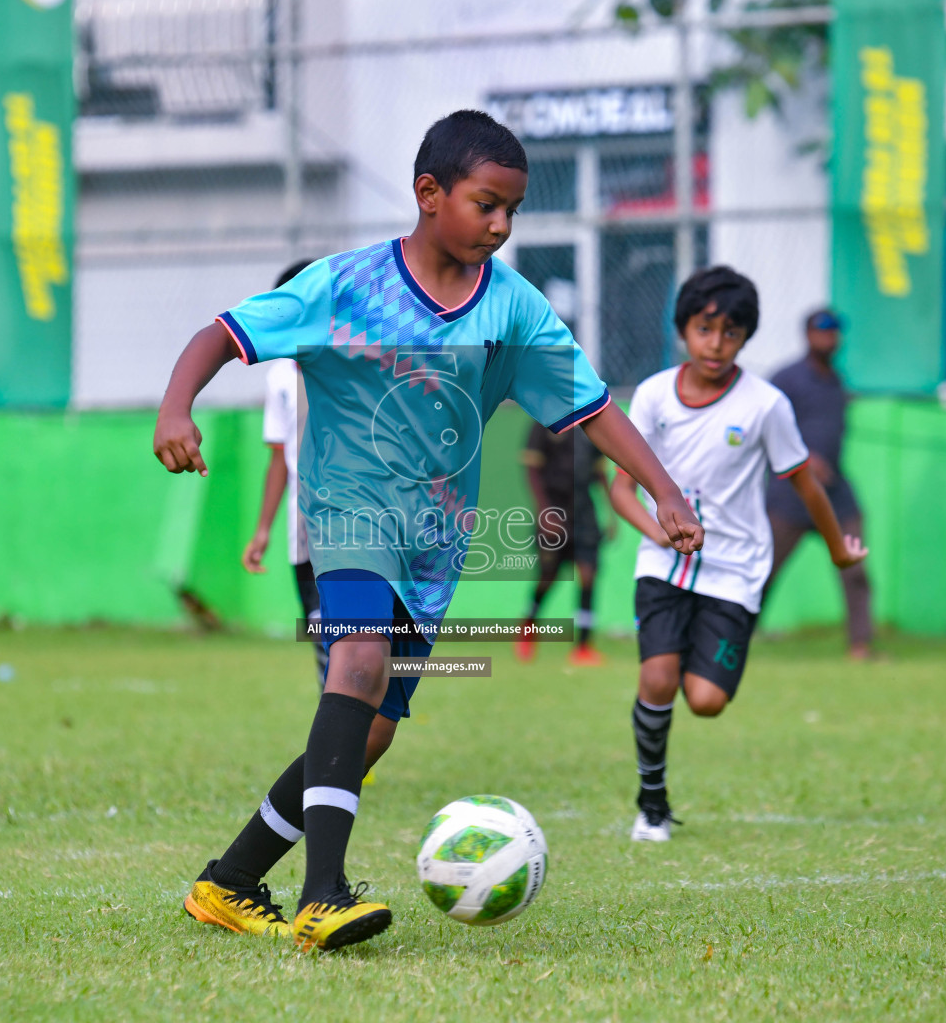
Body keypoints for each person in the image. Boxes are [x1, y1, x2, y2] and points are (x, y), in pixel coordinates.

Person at [153, 109, 704, 950]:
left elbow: (590, 407)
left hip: (435, 545)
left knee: (367, 733)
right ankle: (323, 895)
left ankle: (228, 881)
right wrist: (174, 406)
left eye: (512, 210)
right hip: (348, 511)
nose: (501, 225)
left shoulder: (512, 308)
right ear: (428, 193)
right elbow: (222, 335)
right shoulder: (345, 286)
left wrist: (663, 489)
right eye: (487, 204)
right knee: (358, 659)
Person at [611, 266, 867, 843]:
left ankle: (687, 665)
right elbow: (621, 489)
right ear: (684, 330)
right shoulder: (652, 395)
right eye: (705, 329)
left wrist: (838, 552)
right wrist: (655, 534)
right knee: (656, 678)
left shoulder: (765, 405)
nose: (716, 343)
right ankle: (651, 803)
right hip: (664, 566)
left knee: (704, 701)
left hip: (735, 571)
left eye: (730, 332)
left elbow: (806, 485)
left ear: (745, 338)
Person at [763, 309, 875, 659]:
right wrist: (804, 459)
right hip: (790, 497)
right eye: (820, 331)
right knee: (761, 574)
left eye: (833, 332)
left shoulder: (837, 382)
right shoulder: (786, 379)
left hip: (836, 495)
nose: (827, 338)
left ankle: (860, 645)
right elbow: (762, 428)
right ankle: (729, 639)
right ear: (807, 335)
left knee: (855, 568)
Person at [242, 259, 329, 689]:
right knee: (321, 630)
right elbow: (279, 458)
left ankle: (350, 727)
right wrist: (263, 530)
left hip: (359, 521)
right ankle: (339, 731)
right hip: (304, 526)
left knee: (357, 634)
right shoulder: (278, 376)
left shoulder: (355, 367)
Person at [515, 422, 611, 666]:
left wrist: (611, 512)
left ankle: (583, 646)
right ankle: (528, 625)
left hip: (585, 514)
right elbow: (532, 470)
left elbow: (600, 473)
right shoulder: (545, 421)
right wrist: (544, 512)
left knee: (588, 575)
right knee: (548, 576)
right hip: (554, 511)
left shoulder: (593, 422)